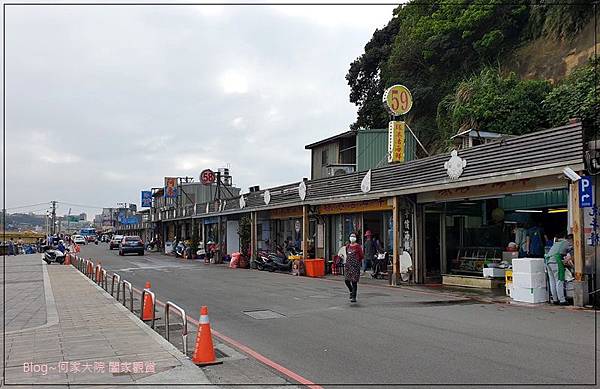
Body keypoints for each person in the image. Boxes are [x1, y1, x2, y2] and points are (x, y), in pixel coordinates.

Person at [544, 233, 573, 306]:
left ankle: (555, 299)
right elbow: (570, 254)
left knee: (552, 281)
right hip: (556, 261)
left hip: (548, 261)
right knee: (559, 280)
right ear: (571, 239)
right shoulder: (567, 243)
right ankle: (562, 300)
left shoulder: (557, 243)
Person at [344, 233, 364, 303]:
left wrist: (357, 261)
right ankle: (351, 290)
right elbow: (347, 254)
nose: (352, 238)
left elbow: (361, 255)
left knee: (354, 282)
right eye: (351, 236)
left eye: (354, 236)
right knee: (346, 280)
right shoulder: (348, 246)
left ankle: (354, 297)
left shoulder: (358, 246)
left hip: (355, 266)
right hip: (348, 266)